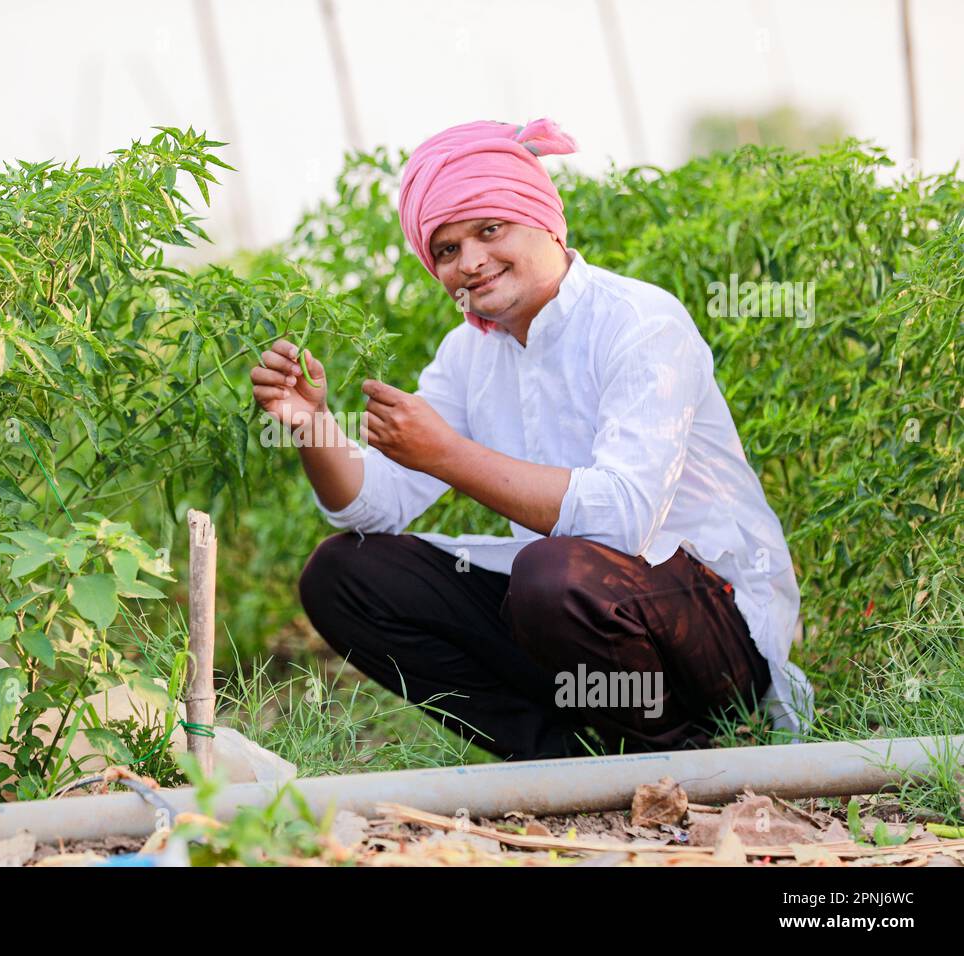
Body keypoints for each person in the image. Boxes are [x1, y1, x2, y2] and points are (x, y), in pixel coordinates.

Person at [249, 116, 813, 761]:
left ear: (544, 218)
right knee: (345, 573)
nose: (472, 262)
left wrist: (447, 455)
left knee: (551, 571)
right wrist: (314, 424)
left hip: (711, 632)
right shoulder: (467, 353)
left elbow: (625, 520)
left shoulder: (639, 321)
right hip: (576, 615)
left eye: (489, 230)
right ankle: (559, 761)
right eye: (447, 250)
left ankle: (677, 753)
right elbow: (375, 506)